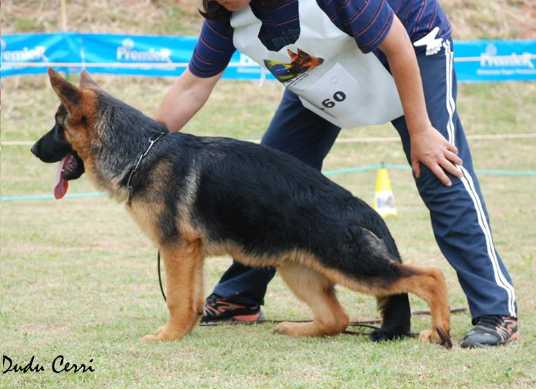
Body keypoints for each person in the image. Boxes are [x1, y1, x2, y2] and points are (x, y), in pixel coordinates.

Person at [156, 0, 518, 348]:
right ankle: (239, 297)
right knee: (266, 183)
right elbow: (193, 85)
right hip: (321, 70)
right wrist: (146, 147)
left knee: (439, 171)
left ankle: (494, 311)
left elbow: (398, 44)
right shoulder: (224, 14)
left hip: (409, 47)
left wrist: (421, 130)